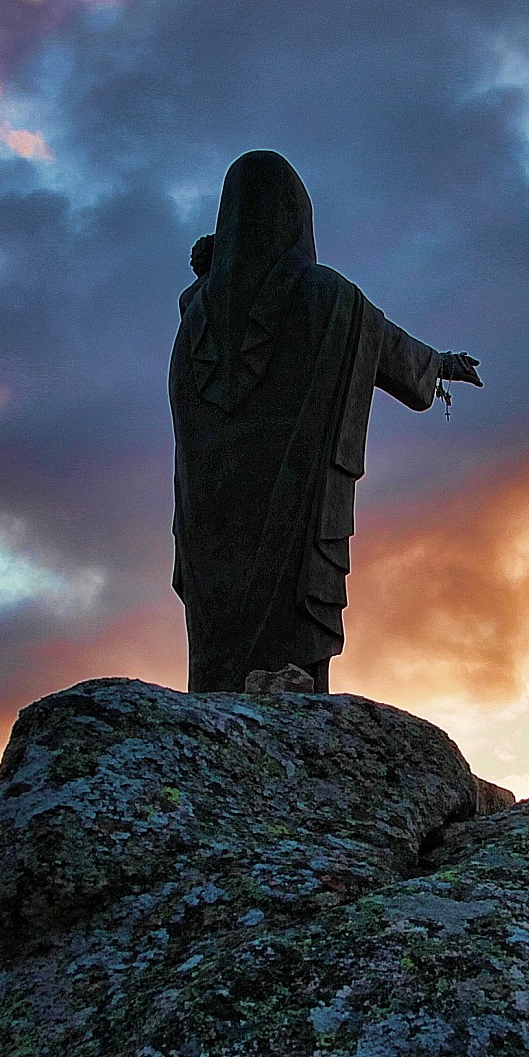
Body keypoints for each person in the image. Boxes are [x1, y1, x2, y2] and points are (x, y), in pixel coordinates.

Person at [170, 150, 481, 692]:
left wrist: (209, 274)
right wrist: (442, 366)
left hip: (211, 528)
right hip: (289, 518)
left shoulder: (196, 315)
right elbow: (391, 349)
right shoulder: (325, 298)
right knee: (289, 651)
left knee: (219, 667)